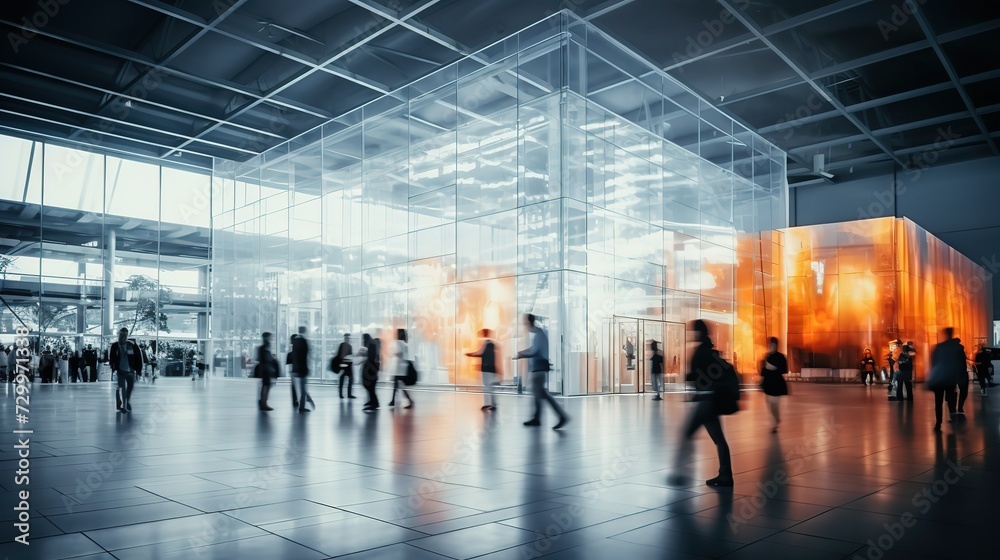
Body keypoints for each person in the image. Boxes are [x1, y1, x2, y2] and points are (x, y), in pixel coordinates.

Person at [671, 319, 735, 487]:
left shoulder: (700, 352)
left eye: (693, 331)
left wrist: (689, 377)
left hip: (704, 402)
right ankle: (725, 474)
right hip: (712, 401)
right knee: (719, 439)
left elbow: (697, 375)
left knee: (687, 434)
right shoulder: (711, 351)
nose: (691, 335)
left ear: (698, 333)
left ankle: (681, 475)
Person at [515, 314, 569, 429]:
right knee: (539, 395)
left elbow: (534, 351)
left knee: (542, 395)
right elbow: (533, 349)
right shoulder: (537, 334)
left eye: (525, 323)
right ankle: (538, 418)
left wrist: (522, 354)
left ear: (529, 323)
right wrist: (522, 353)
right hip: (537, 369)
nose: (524, 326)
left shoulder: (539, 334)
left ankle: (560, 416)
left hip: (539, 369)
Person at [929, 328, 965, 431]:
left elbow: (934, 363)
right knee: (951, 399)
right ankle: (953, 417)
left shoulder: (939, 347)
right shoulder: (956, 348)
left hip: (940, 378)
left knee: (938, 401)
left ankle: (938, 422)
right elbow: (960, 363)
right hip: (950, 377)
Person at [760, 337, 789, 433]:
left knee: (774, 404)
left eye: (773, 344)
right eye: (770, 344)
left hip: (776, 384)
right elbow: (762, 371)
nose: (771, 346)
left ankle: (775, 422)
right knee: (770, 404)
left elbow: (783, 370)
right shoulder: (767, 356)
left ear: (776, 345)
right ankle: (776, 420)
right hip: (769, 383)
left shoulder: (780, 357)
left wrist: (772, 369)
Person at [110, 328, 143, 412]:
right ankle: (123, 405)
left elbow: (138, 357)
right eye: (122, 334)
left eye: (125, 334)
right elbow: (112, 358)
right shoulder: (115, 346)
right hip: (120, 370)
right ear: (119, 335)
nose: (123, 336)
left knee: (130, 387)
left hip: (130, 370)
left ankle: (127, 401)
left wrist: (139, 369)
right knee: (121, 387)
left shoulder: (132, 345)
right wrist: (113, 367)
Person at [466, 329, 499, 411]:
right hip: (491, 367)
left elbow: (480, 353)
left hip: (486, 367)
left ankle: (488, 404)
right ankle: (492, 403)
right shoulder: (493, 344)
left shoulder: (486, 343)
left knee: (487, 385)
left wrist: (470, 354)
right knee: (490, 385)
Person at [389, 329, 414, 409]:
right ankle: (393, 401)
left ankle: (408, 400)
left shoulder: (398, 343)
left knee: (398, 384)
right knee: (397, 384)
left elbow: (397, 352)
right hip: (404, 366)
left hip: (398, 367)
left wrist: (392, 354)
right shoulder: (405, 344)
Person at [290, 327, 314, 412]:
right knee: (303, 389)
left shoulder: (295, 341)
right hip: (302, 368)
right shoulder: (304, 341)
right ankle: (302, 407)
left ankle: (301, 403)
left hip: (296, 368)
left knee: (299, 388)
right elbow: (306, 356)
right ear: (305, 331)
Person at [255, 332, 279, 411]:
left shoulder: (263, 347)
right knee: (266, 386)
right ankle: (264, 403)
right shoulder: (265, 346)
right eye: (270, 337)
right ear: (266, 338)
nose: (271, 339)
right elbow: (266, 358)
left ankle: (263, 402)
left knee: (265, 386)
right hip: (266, 370)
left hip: (264, 369)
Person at [360, 333, 381, 410]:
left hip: (371, 368)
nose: (362, 341)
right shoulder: (373, 343)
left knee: (369, 385)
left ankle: (375, 403)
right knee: (370, 385)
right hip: (373, 367)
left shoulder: (371, 344)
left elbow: (371, 357)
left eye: (363, 339)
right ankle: (372, 401)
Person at [332, 333, 355, 399]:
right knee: (344, 379)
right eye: (347, 338)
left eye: (348, 338)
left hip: (347, 365)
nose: (348, 339)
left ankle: (347, 394)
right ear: (345, 338)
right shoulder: (344, 345)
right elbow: (340, 355)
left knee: (347, 379)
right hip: (344, 365)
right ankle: (344, 394)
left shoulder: (347, 346)